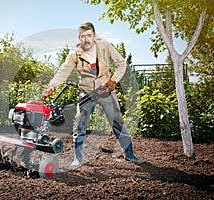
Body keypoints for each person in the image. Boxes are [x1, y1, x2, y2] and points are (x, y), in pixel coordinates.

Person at [42, 22, 143, 165]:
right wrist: (52, 87)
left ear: (94, 36)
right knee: (80, 122)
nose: (86, 39)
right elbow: (64, 70)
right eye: (82, 36)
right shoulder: (75, 54)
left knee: (117, 122)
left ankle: (130, 154)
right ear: (79, 38)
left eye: (89, 35)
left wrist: (113, 80)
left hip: (104, 90)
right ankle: (78, 158)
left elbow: (121, 63)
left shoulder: (105, 46)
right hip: (86, 92)